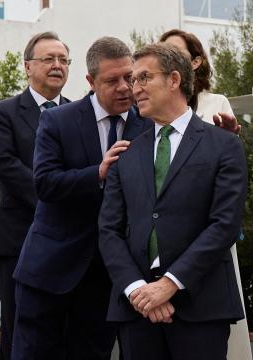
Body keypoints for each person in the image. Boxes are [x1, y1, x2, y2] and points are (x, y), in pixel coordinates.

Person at [98, 42, 248, 360]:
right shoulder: (125, 155)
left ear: (174, 79)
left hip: (201, 307)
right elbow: (109, 231)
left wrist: (168, 285)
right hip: (136, 311)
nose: (133, 88)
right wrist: (138, 289)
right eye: (131, 79)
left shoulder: (224, 146)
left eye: (143, 78)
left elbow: (224, 225)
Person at [10, 36, 152, 360]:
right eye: (111, 81)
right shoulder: (58, 119)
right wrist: (97, 173)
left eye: (129, 78)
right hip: (49, 271)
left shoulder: (148, 126)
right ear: (90, 81)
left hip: (106, 279)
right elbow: (44, 183)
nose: (124, 88)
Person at [159, 28, 252, 360]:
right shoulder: (148, 109)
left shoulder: (216, 103)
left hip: (207, 228)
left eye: (176, 52)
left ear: (196, 61)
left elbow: (228, 167)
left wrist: (230, 140)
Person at [0, 31, 70, 360]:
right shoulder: (4, 112)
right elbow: (7, 167)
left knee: (66, 331)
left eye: (63, 60)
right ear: (27, 66)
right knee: (20, 330)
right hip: (21, 239)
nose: (57, 65)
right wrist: (56, 200)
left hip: (71, 243)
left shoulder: (79, 113)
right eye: (48, 59)